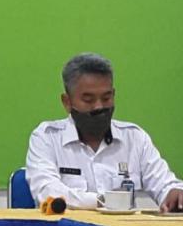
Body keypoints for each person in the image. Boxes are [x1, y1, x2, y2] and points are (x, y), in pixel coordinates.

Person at [26, 53, 183, 211]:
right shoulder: (46, 137)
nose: (99, 106)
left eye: (106, 98)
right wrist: (104, 201)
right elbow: (48, 193)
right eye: (88, 100)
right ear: (67, 102)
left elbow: (165, 184)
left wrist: (174, 192)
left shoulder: (134, 138)